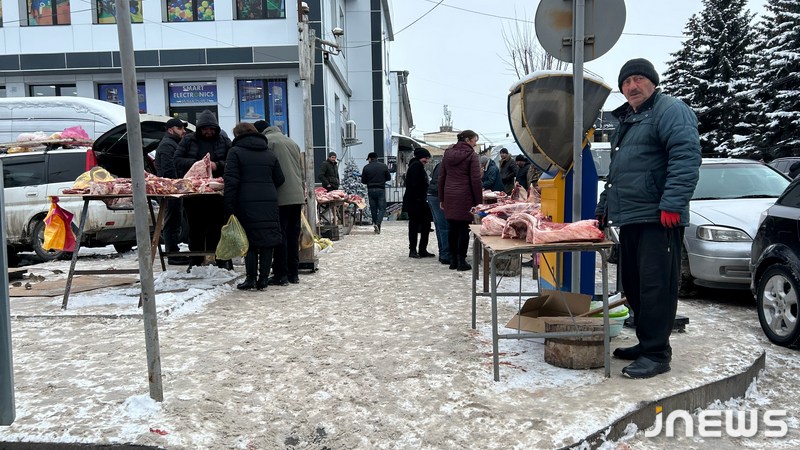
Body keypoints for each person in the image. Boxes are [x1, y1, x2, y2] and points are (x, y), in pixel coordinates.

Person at [595, 58, 701, 379]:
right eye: (626, 82)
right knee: (635, 286)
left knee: (656, 287)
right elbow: (617, 173)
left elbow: (686, 155)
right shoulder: (629, 120)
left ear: (653, 82)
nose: (632, 86)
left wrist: (672, 202)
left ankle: (657, 353)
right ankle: (646, 342)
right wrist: (604, 208)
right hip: (630, 218)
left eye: (639, 79)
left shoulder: (670, 110)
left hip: (659, 218)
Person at [223, 122, 285, 290]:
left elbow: (231, 181)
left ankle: (251, 278)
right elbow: (280, 179)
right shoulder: (269, 154)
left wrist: (228, 205)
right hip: (269, 201)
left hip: (245, 201)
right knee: (267, 239)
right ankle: (264, 279)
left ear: (237, 136)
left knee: (249, 240)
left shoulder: (235, 152)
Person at [174, 109, 233, 270]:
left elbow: (232, 163)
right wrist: (198, 165)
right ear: (200, 129)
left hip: (217, 193)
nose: (208, 132)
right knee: (195, 227)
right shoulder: (188, 141)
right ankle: (196, 259)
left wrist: (216, 165)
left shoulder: (224, 141)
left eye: (211, 129)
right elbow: (177, 160)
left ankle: (220, 258)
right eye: (205, 129)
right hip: (194, 194)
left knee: (217, 226)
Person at [262, 120, 305, 285]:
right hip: (297, 196)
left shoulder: (269, 142)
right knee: (293, 235)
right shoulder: (291, 142)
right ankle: (294, 273)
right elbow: (299, 170)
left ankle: (281, 274)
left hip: (281, 196)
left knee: (281, 236)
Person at [438, 130, 482, 271]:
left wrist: (442, 198)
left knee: (452, 228)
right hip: (465, 197)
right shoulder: (472, 156)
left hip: (450, 195)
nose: (475, 143)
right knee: (463, 229)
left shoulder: (447, 154)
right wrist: (478, 202)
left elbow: (442, 178)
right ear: (468, 140)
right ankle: (461, 261)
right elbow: (475, 181)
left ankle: (453, 261)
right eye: (475, 140)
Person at [154, 117, 189, 265]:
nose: (183, 131)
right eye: (180, 128)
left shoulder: (174, 144)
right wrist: (178, 185)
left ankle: (174, 252)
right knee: (173, 220)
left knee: (176, 219)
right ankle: (173, 254)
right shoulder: (167, 145)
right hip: (172, 189)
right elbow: (169, 170)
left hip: (176, 188)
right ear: (170, 130)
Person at [403, 149, 435, 258]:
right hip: (416, 202)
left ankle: (419, 249)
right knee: (418, 226)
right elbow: (416, 185)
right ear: (420, 157)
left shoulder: (416, 165)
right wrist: (421, 197)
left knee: (422, 226)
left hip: (417, 201)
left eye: (427, 158)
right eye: (425, 158)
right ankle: (415, 250)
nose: (426, 160)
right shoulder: (416, 167)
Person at [427, 156, 451, 265]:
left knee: (439, 226)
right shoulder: (447, 165)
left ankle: (443, 253)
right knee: (444, 226)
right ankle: (446, 255)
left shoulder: (439, 164)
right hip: (438, 196)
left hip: (432, 195)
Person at [361, 151, 391, 234]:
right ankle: (378, 224)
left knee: (373, 209)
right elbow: (388, 178)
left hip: (371, 190)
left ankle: (376, 225)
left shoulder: (366, 167)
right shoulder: (383, 166)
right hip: (381, 189)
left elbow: (363, 181)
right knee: (382, 208)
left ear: (370, 158)